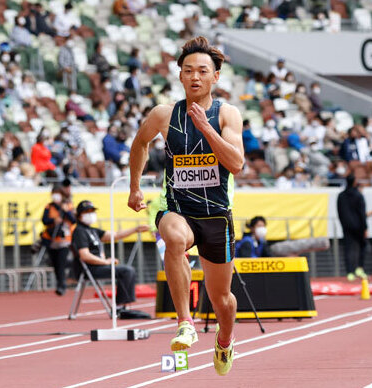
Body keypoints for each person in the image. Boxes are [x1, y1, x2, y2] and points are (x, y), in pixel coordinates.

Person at [127, 36, 244, 376]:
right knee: (174, 240)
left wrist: (206, 127)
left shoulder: (228, 114)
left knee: (222, 298)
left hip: (217, 216)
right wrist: (135, 187)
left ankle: (225, 339)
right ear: (180, 75)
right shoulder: (164, 115)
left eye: (202, 71)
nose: (195, 77)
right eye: (188, 70)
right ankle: (185, 323)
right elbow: (139, 144)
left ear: (215, 77)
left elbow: (236, 164)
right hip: (176, 207)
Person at [71, 200, 149, 310]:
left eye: (92, 211)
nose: (90, 214)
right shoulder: (79, 231)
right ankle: (120, 306)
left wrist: (135, 229)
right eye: (87, 212)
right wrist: (106, 262)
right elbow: (85, 255)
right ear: (79, 216)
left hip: (98, 266)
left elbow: (115, 235)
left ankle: (122, 305)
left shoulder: (92, 230)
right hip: (89, 269)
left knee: (126, 270)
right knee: (126, 271)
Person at [337, 175, 372, 281]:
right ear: (354, 182)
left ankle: (350, 272)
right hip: (359, 226)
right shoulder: (358, 195)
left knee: (348, 249)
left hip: (347, 226)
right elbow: (362, 213)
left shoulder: (341, 196)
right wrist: (365, 228)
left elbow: (339, 212)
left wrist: (343, 224)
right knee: (362, 245)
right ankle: (359, 268)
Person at [41, 185, 76, 295]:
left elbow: (73, 220)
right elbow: (44, 220)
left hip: (64, 240)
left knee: (61, 262)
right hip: (51, 240)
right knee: (55, 263)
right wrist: (53, 220)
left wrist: (66, 211)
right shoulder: (49, 206)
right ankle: (60, 282)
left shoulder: (68, 205)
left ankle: (62, 285)